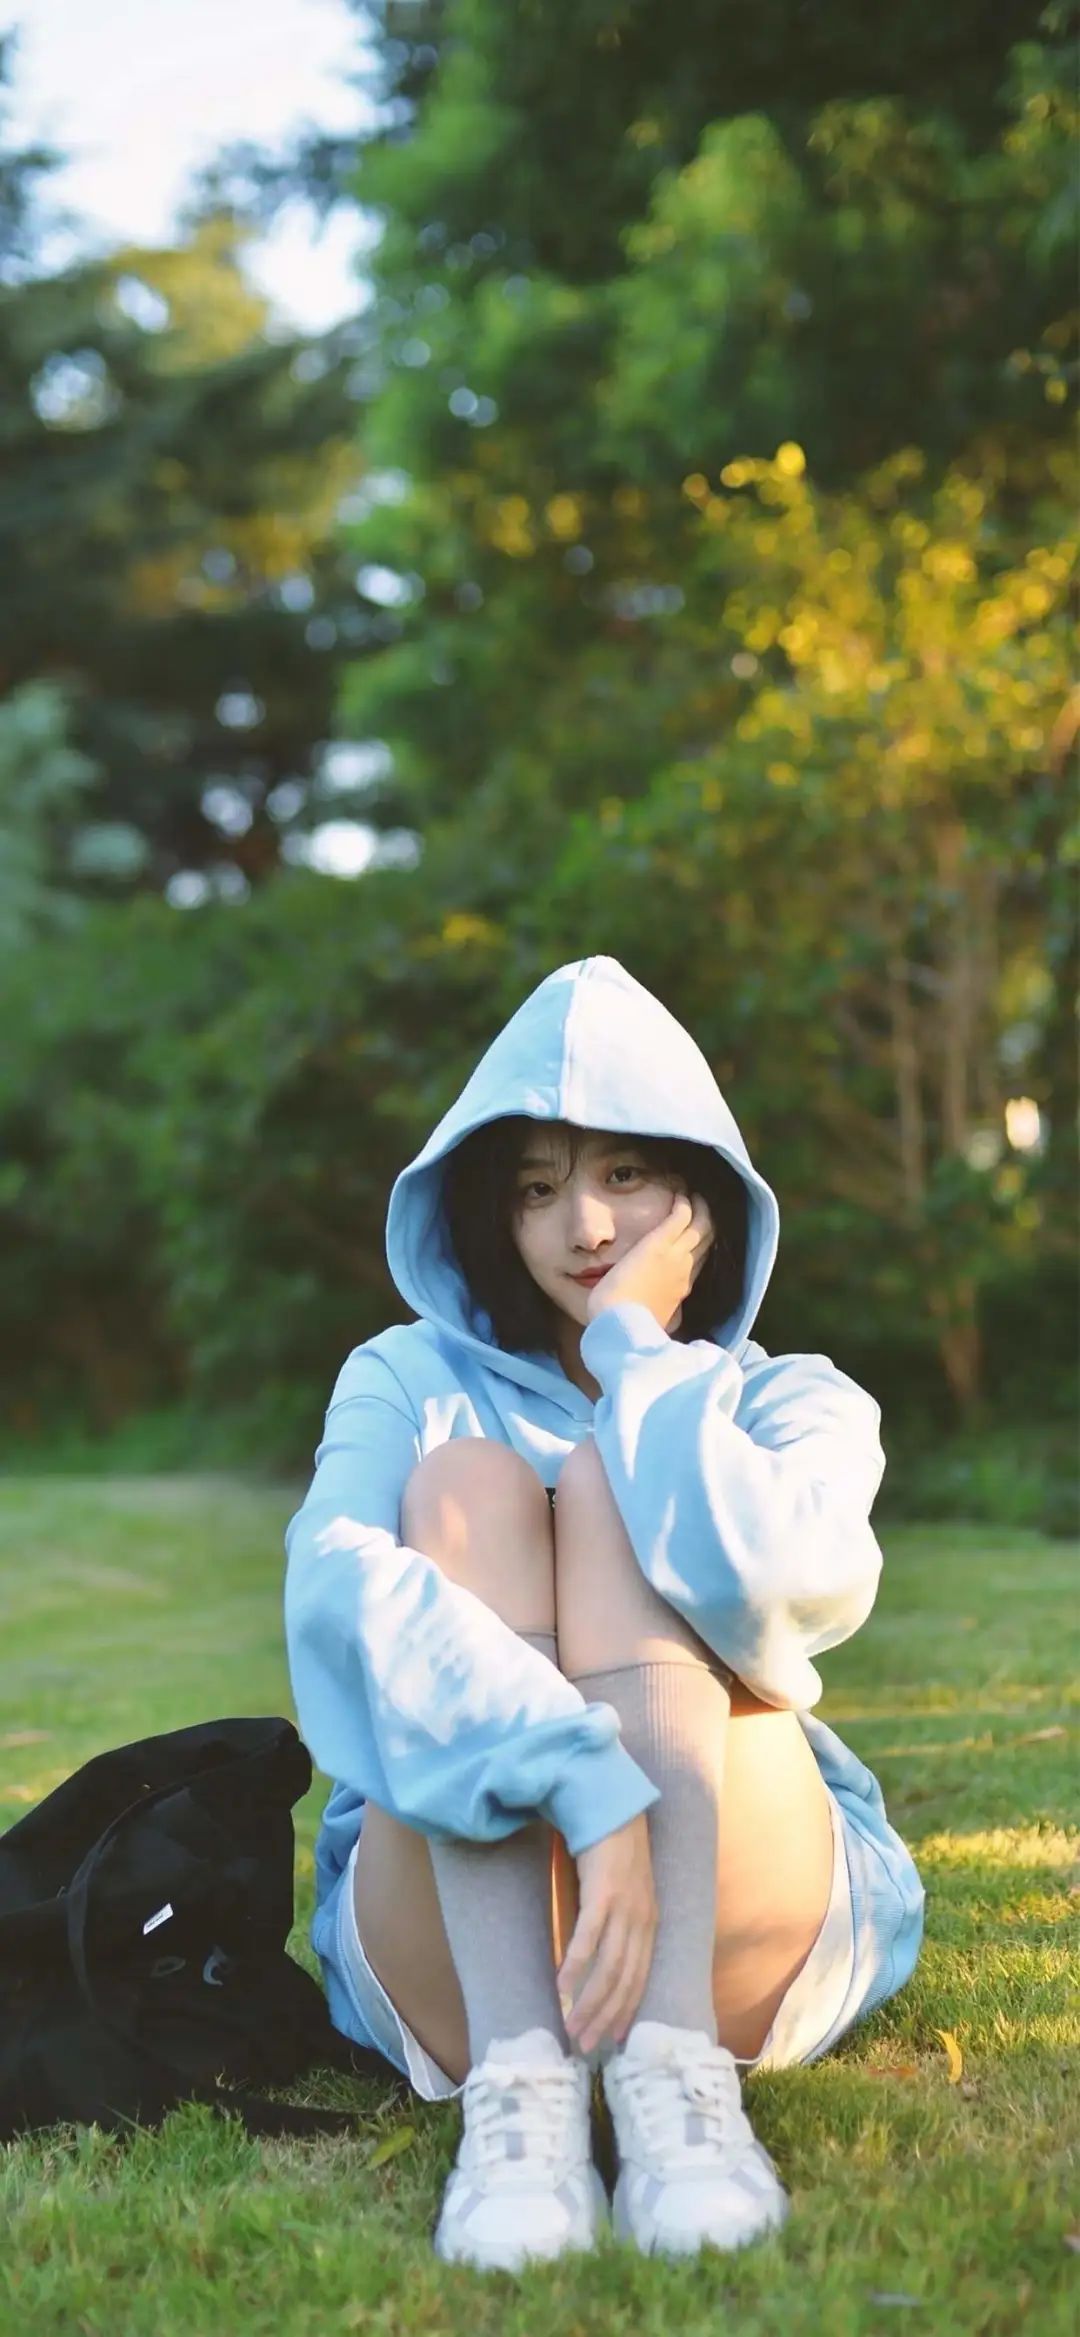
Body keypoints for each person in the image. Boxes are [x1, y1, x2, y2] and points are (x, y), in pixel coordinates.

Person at [284, 953, 924, 2274]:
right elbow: (330, 1577)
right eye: (537, 1188)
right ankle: (521, 2094)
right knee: (464, 1484)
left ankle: (676, 2073)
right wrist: (577, 1773)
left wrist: (641, 1356)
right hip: (459, 1951)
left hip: (732, 1919)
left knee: (613, 1483)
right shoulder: (403, 1374)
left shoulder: (793, 1396)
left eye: (624, 1174)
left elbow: (793, 1578)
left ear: (705, 1194)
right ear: (492, 1214)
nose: (583, 1225)